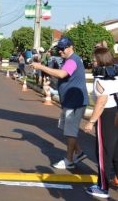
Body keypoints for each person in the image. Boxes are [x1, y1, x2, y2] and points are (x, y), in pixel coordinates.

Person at [31, 36, 89, 169]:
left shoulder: (73, 60)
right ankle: (78, 153)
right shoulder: (68, 59)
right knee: (67, 129)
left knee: (70, 131)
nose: (61, 51)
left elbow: (62, 74)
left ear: (71, 47)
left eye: (63, 48)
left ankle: (69, 160)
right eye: (59, 49)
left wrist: (41, 67)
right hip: (69, 101)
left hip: (74, 102)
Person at [84, 48, 118, 199]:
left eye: (94, 59)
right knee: (116, 151)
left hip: (107, 116)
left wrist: (91, 121)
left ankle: (102, 187)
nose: (92, 61)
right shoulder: (114, 73)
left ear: (99, 60)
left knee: (103, 152)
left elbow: (101, 101)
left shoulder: (100, 77)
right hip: (116, 112)